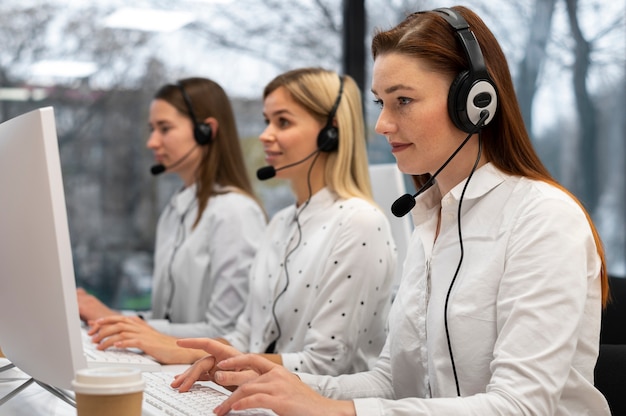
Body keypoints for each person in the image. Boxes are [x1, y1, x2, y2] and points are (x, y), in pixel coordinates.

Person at [170, 6, 611, 415]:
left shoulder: (543, 218)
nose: (381, 124)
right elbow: (392, 383)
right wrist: (277, 382)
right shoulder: (430, 220)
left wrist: (337, 411)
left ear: (475, 103)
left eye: (403, 100)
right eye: (381, 103)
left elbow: (520, 406)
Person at [87, 68, 397, 376]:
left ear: (331, 133)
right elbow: (244, 338)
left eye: (283, 122)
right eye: (267, 121)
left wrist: (176, 347)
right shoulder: (280, 223)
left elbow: (325, 365)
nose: (264, 135)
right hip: (263, 396)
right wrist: (184, 352)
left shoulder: (359, 223)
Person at [77, 77, 267, 339]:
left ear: (206, 131)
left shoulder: (235, 212)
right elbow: (168, 320)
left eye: (164, 129)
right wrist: (115, 320)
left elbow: (228, 332)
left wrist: (118, 321)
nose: (152, 142)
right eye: (151, 129)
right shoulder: (175, 210)